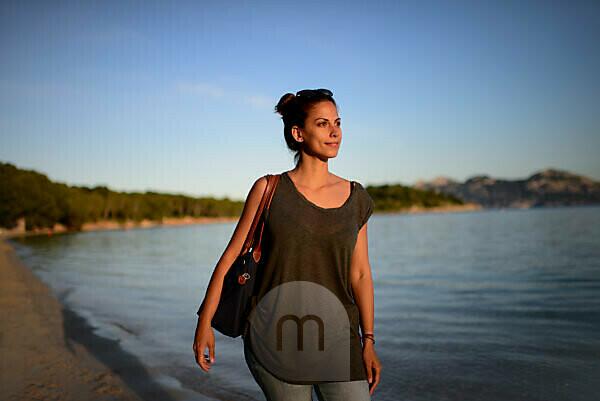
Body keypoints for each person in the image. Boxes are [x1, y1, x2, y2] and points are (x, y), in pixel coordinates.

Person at [193, 88, 382, 400]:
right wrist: (204, 324)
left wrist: (369, 340)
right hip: (274, 337)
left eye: (337, 122)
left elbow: (360, 273)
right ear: (298, 133)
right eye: (322, 124)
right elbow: (230, 258)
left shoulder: (356, 197)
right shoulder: (269, 189)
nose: (335, 132)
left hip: (338, 339)